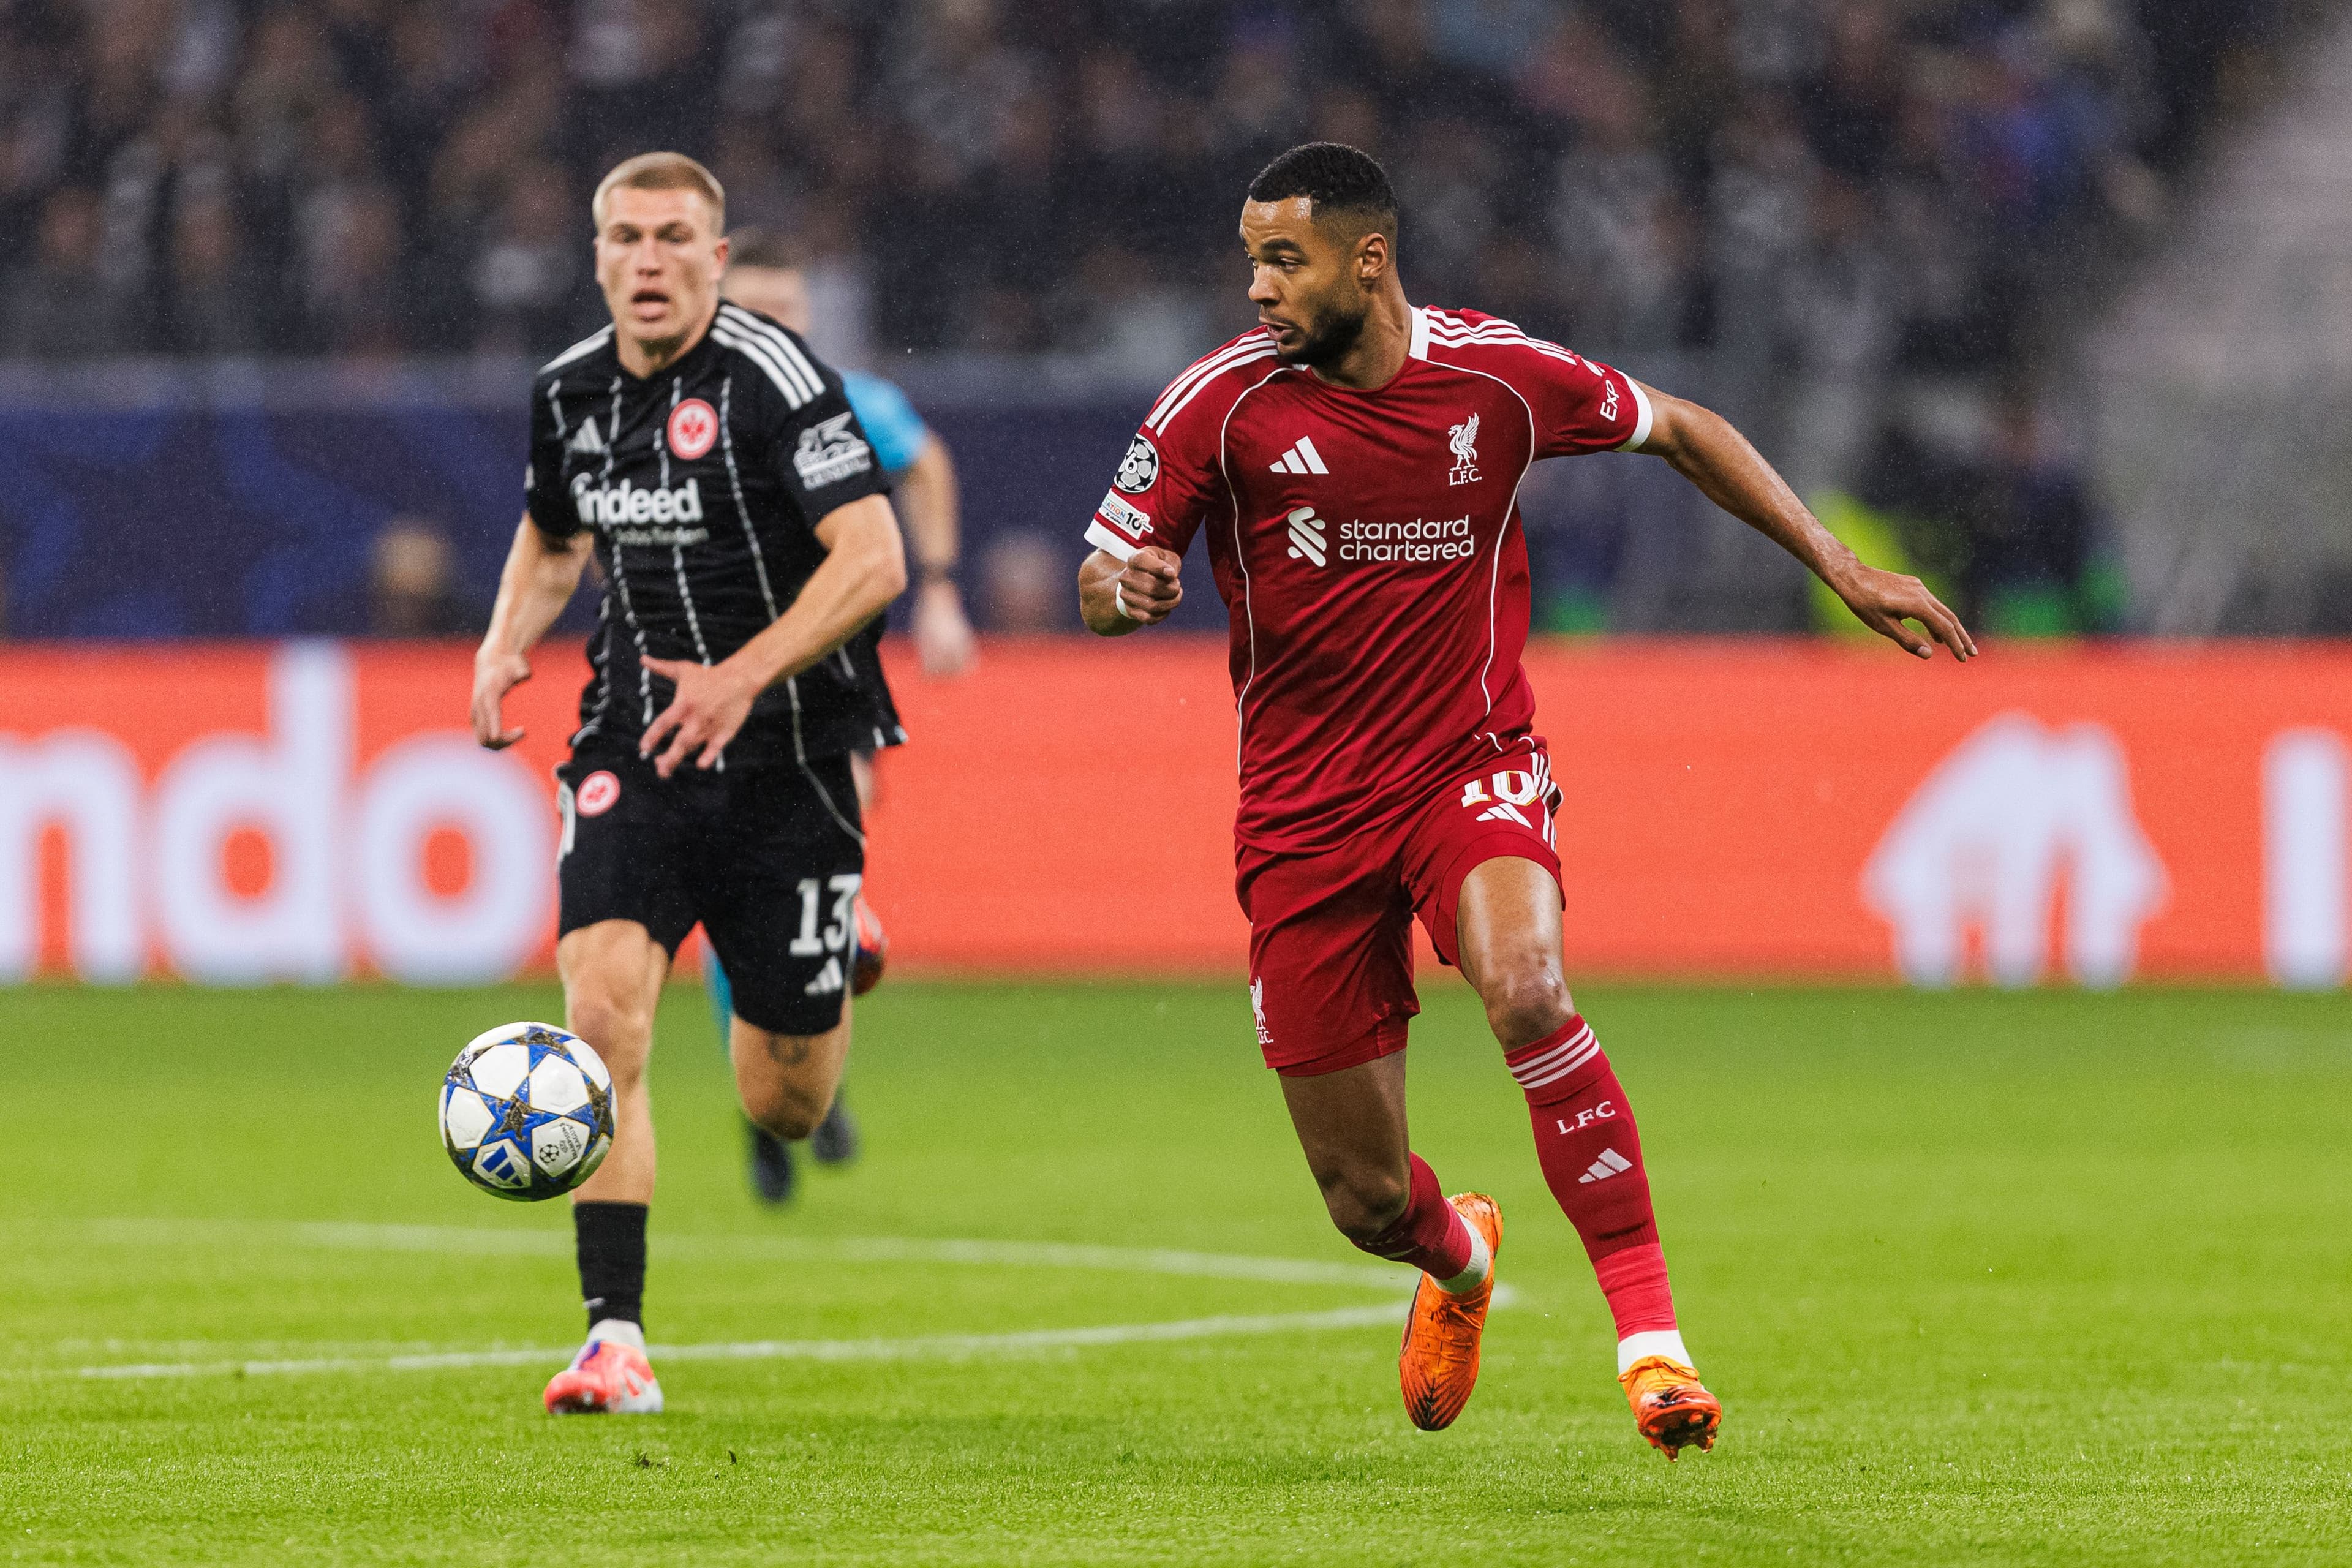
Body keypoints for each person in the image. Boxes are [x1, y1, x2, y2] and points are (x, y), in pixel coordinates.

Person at [1076, 143, 1973, 1457]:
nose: (1260, 287)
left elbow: (1683, 427)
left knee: (1528, 984)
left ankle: (1651, 1341)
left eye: (1286, 258)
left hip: (1467, 763)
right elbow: (1109, 568)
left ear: (1367, 260)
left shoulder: (1495, 377)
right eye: (1252, 258)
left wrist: (1834, 560)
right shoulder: (1221, 404)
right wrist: (1124, 598)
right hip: (1302, 815)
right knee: (1362, 1195)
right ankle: (1459, 1254)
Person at [470, 151, 908, 1415]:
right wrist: (508, 638)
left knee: (784, 1102)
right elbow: (556, 535)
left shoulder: (777, 380)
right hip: (635, 747)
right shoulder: (568, 393)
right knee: (603, 1016)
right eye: (625, 238)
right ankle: (617, 1337)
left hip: (791, 763)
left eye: (674, 238)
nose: (648, 260)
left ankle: (838, 959)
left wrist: (744, 675)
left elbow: (873, 556)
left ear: (717, 261)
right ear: (596, 255)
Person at [703, 228, 978, 1203]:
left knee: (826, 843)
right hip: (716, 687)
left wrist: (939, 587)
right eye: (756, 311)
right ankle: (771, 1102)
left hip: (825, 686)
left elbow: (925, 462)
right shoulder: (685, 410)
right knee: (735, 893)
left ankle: (812, 1040)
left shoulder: (848, 403)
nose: (777, 327)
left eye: (790, 312)